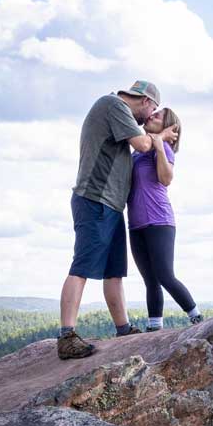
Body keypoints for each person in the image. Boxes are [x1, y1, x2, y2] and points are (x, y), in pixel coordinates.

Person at [57, 80, 179, 360]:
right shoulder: (114, 105)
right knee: (82, 266)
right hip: (95, 198)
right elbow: (143, 142)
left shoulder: (114, 109)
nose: (148, 118)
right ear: (147, 101)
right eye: (152, 111)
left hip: (110, 204)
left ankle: (123, 328)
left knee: (114, 271)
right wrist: (160, 138)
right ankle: (66, 336)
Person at [127, 107, 201, 331]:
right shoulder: (139, 152)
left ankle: (197, 318)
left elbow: (166, 179)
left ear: (167, 126)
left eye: (157, 116)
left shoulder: (164, 149)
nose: (150, 116)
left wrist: (159, 143)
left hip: (159, 220)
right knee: (150, 279)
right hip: (136, 223)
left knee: (165, 275)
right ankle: (154, 327)